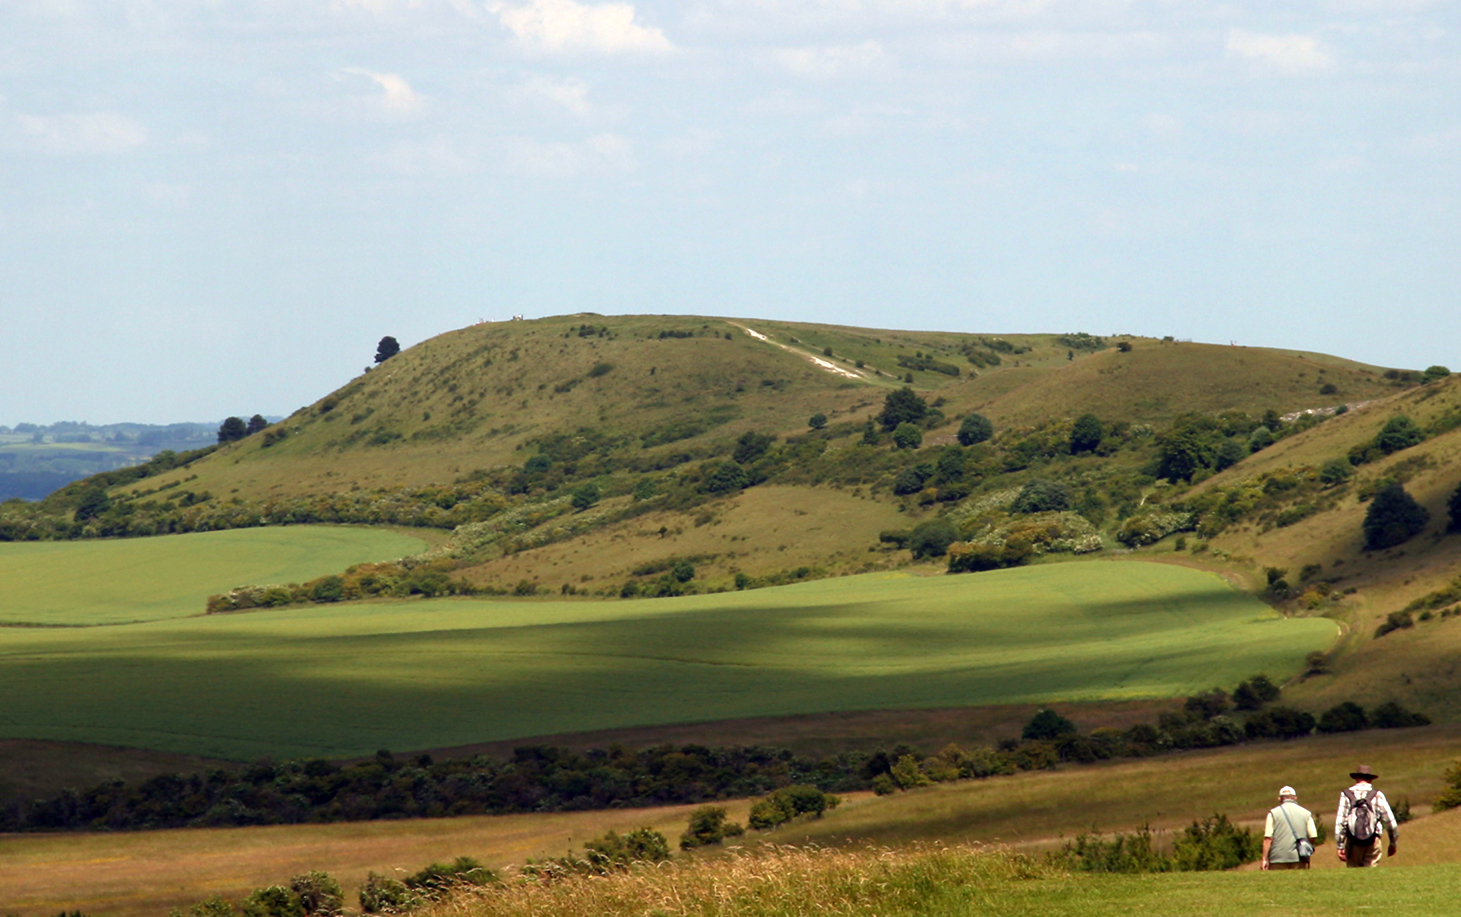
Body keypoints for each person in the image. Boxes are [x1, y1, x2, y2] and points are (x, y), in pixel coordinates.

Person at [1335, 764, 1399, 867]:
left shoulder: (1346, 795)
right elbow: (1390, 822)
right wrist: (1393, 843)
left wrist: (1340, 845)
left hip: (1353, 842)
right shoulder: (1377, 795)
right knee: (1370, 874)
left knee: (1354, 875)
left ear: (1356, 778)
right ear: (1371, 779)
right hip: (1373, 841)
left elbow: (1340, 822)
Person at [1262, 785, 1318, 870]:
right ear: (1295, 798)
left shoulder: (1272, 814)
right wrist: (1305, 847)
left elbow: (1268, 839)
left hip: (1277, 858)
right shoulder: (1306, 814)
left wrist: (1264, 859)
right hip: (1299, 857)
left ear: (1280, 799)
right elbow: (1313, 835)